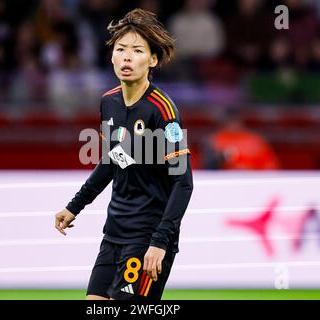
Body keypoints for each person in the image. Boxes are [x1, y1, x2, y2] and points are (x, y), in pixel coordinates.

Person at [54, 8, 193, 300]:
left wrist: (160, 242)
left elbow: (183, 183)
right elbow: (112, 161)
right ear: (112, 56)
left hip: (147, 238)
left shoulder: (163, 111)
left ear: (152, 60)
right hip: (114, 234)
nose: (127, 57)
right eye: (121, 49)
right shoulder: (109, 103)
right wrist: (74, 206)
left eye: (137, 50)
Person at [203, 108, 280, 170]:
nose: (232, 125)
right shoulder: (214, 140)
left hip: (252, 181)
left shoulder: (255, 140)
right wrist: (220, 158)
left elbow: (270, 166)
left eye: (234, 121)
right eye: (229, 122)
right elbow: (207, 167)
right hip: (224, 181)